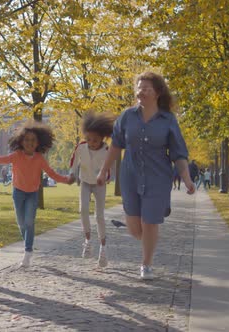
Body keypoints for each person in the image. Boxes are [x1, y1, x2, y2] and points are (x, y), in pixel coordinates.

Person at [96, 71, 195, 280]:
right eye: (139, 87)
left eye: (147, 88)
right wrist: (104, 170)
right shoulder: (127, 116)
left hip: (158, 176)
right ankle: (149, 240)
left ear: (157, 92)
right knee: (134, 227)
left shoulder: (167, 120)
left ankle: (146, 265)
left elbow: (178, 153)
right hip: (130, 175)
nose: (142, 91)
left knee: (150, 221)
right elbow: (115, 145)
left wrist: (186, 179)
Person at [0, 120, 73, 267]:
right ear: (21, 141)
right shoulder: (16, 155)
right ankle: (27, 244)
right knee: (21, 223)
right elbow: (2, 160)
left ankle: (28, 251)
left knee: (29, 222)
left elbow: (51, 173)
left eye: (33, 140)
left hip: (32, 193)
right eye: (26, 140)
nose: (29, 143)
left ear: (38, 143)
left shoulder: (39, 158)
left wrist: (66, 179)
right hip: (18, 193)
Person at [68, 112, 114, 266]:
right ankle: (87, 240)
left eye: (95, 140)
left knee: (99, 215)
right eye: (88, 139)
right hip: (85, 182)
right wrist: (72, 174)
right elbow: (74, 161)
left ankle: (103, 247)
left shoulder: (107, 150)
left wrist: (105, 178)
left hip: (99, 184)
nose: (91, 143)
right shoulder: (81, 147)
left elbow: (108, 169)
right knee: (83, 210)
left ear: (102, 138)